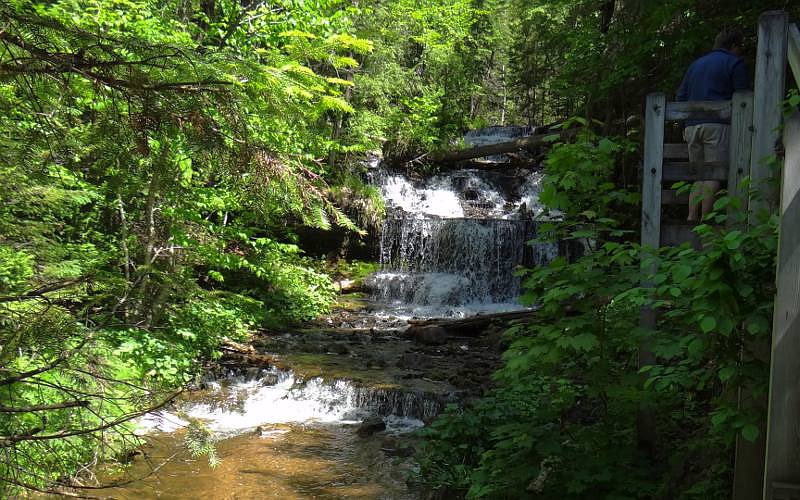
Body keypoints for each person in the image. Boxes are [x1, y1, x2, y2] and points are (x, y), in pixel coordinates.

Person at [676, 29, 749, 221]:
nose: (741, 51)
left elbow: (681, 97)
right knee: (713, 174)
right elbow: (743, 98)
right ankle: (706, 220)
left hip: (692, 126)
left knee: (698, 174)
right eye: (740, 47)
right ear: (733, 46)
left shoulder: (695, 65)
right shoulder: (734, 63)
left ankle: (691, 217)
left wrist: (684, 125)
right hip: (717, 125)